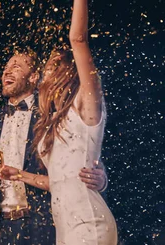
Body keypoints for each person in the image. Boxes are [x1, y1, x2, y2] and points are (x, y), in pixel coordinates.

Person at [0, 48, 108, 244]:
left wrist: (102, 177)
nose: (7, 72)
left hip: (41, 222)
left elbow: (84, 153)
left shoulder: (49, 112)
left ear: (33, 77)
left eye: (16, 67)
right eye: (5, 68)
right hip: (2, 226)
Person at [32, 0, 117, 243]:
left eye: (50, 67)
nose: (43, 75)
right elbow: (59, 180)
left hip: (89, 222)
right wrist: (17, 175)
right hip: (65, 226)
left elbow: (78, 39)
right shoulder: (52, 123)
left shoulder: (85, 106)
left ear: (66, 73)